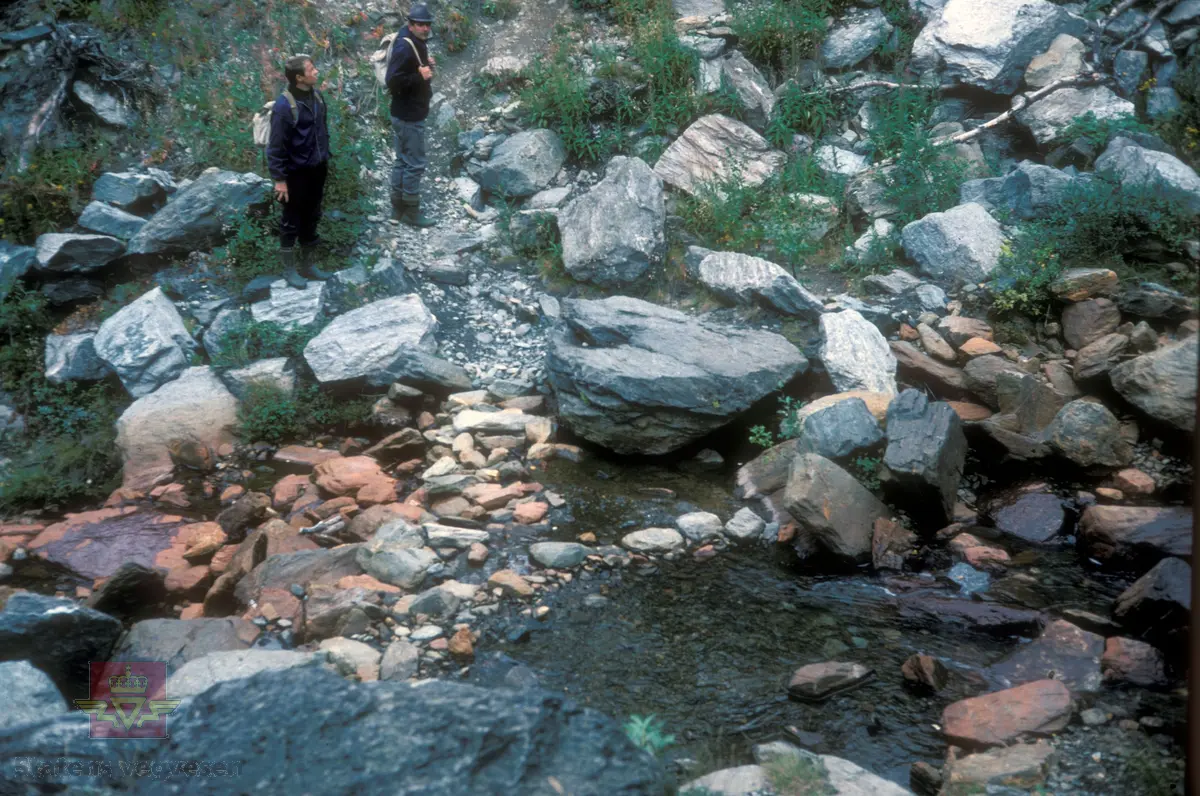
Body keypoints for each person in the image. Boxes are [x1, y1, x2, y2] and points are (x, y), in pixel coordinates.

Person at [267, 54, 333, 288]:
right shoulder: (284, 107)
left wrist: (325, 157)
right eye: (311, 69)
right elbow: (275, 147)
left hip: (317, 169)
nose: (316, 71)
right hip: (295, 174)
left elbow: (322, 130)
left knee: (312, 216)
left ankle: (308, 266)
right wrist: (279, 180)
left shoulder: (316, 96)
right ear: (299, 78)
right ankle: (289, 270)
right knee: (291, 220)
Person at [385, 4, 437, 228]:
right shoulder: (405, 47)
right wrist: (420, 76)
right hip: (409, 116)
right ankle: (411, 212)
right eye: (420, 24)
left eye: (427, 24)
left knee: (402, 160)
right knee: (415, 163)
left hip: (402, 113)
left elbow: (408, 69)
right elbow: (393, 81)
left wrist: (425, 64)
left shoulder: (411, 40)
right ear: (410, 24)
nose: (425, 28)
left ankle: (397, 208)